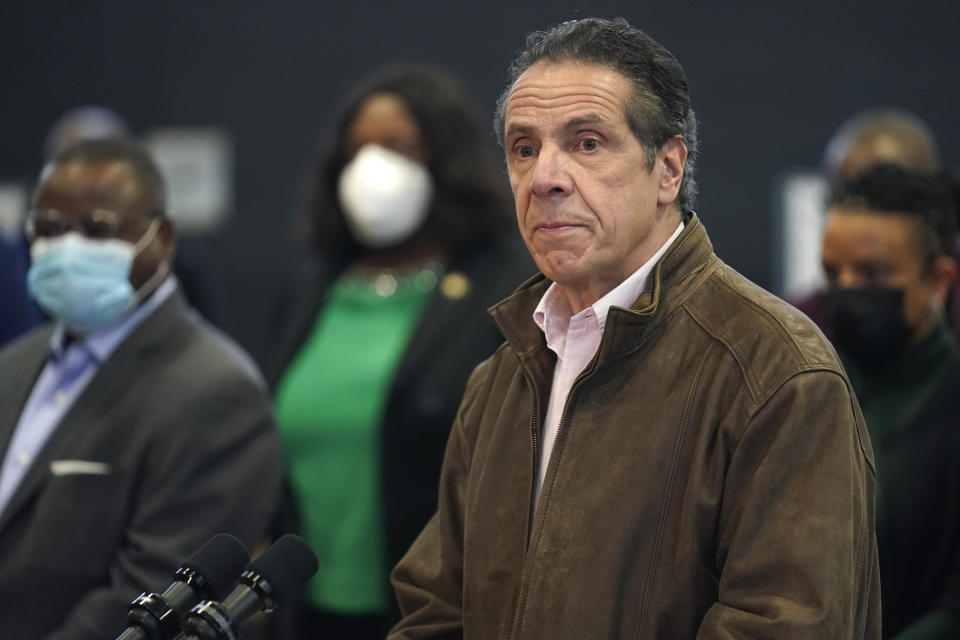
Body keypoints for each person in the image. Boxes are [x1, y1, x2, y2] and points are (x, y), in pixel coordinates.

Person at [389, 17, 880, 639]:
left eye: (587, 142)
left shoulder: (778, 372)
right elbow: (436, 608)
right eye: (523, 148)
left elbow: (784, 627)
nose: (545, 178)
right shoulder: (502, 375)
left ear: (668, 168)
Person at [267, 65, 532, 638]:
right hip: (305, 615)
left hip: (436, 615)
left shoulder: (502, 284)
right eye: (356, 149)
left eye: (396, 147)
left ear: (443, 158)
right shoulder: (313, 288)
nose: (372, 166)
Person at [0, 136, 283, 639]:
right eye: (47, 229)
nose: (66, 247)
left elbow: (151, 599)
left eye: (97, 229)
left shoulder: (218, 394)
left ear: (164, 237)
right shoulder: (14, 363)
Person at [819, 163, 960, 639]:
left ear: (938, 281)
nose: (848, 289)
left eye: (873, 272)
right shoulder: (806, 390)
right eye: (833, 272)